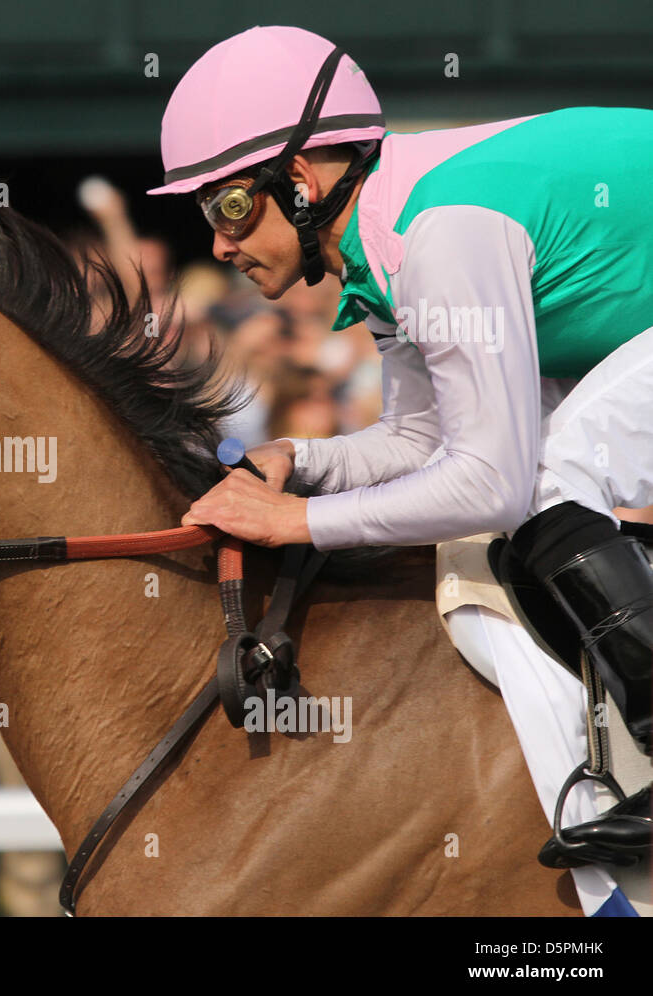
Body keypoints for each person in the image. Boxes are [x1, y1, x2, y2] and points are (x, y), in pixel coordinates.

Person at [149, 26, 650, 871]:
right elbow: (424, 440)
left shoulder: (442, 236)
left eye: (228, 205)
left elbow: (487, 482)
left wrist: (296, 523)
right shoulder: (384, 245)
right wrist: (300, 465)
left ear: (300, 181)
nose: (219, 244)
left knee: (548, 467)